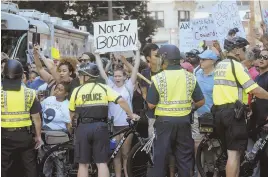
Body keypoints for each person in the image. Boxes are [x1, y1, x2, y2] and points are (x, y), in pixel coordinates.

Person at [69, 63, 139, 177]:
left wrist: (72, 126)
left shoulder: (77, 90)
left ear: (87, 76)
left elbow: (72, 112)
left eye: (81, 75)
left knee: (83, 164)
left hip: (83, 128)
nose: (80, 78)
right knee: (101, 163)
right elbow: (121, 101)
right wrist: (131, 115)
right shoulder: (104, 88)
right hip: (100, 127)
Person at [212, 36, 268, 177]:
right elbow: (253, 89)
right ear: (237, 50)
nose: (245, 52)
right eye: (244, 49)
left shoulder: (220, 65)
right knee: (234, 154)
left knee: (230, 153)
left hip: (219, 113)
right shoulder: (237, 66)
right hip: (232, 114)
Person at [146, 45, 205, 177]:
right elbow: (201, 101)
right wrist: (191, 108)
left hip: (164, 123)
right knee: (184, 159)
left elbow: (150, 105)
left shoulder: (158, 78)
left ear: (164, 59)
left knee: (160, 159)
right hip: (184, 122)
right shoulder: (190, 77)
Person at [96, 50, 140, 177]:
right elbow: (101, 71)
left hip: (127, 125)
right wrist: (98, 54)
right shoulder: (110, 86)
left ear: (125, 77)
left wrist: (137, 51)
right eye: (115, 76)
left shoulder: (129, 86)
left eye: (120, 76)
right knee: (116, 154)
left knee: (126, 154)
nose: (117, 78)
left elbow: (135, 68)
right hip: (113, 126)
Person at [1, 59, 42, 177]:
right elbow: (36, 118)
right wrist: (38, 136)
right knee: (29, 166)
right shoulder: (30, 93)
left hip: (4, 136)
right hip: (25, 136)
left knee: (4, 167)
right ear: (22, 75)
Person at [252, 49, 268, 177]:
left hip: (266, 122)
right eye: (260, 56)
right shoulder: (257, 77)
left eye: (266, 57)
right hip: (258, 122)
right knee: (261, 155)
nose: (262, 59)